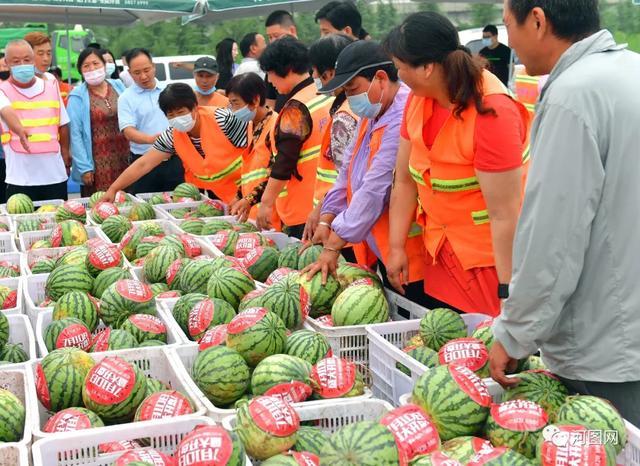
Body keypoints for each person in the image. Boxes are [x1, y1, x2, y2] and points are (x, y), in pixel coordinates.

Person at [488, 0, 640, 425]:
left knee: (606, 443)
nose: (509, 41)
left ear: (537, 20)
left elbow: (552, 238)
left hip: (605, 345)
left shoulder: (572, 96)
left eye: (507, 26)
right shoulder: (632, 70)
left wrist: (514, 335)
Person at [384, 12, 530, 316]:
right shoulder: (418, 100)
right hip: (440, 253)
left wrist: (509, 290)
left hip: (489, 263)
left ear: (426, 67)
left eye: (400, 69)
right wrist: (396, 246)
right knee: (446, 345)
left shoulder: (492, 112)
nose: (399, 79)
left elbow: (506, 214)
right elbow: (405, 181)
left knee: (488, 352)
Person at [303, 40, 425, 293]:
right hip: (381, 246)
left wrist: (333, 246)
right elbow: (347, 170)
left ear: (380, 78)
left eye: (352, 88)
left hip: (412, 253)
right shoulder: (373, 113)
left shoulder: (402, 115)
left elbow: (374, 187)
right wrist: (326, 217)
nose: (349, 97)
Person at [103, 83, 247, 204]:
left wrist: (244, 195)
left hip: (249, 191)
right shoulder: (172, 135)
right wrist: (113, 189)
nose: (177, 118)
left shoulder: (223, 119)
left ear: (195, 107)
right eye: (171, 115)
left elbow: (254, 153)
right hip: (222, 196)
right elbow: (144, 164)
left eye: (181, 112)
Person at [256, 37, 334, 239]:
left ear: (287, 68)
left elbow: (285, 160)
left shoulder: (295, 109)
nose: (270, 81)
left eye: (270, 73)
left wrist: (266, 203)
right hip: (331, 203)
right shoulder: (325, 94)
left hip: (305, 209)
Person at [303, 34, 358, 241]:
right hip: (346, 217)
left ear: (331, 73)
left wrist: (321, 213)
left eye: (315, 71)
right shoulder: (351, 107)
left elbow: (347, 178)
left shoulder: (344, 117)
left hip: (341, 222)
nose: (313, 75)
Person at [0, 40, 70, 201]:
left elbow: (63, 123)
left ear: (33, 61)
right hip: (20, 179)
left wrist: (66, 153)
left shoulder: (51, 86)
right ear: (7, 63)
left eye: (26, 60)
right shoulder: (2, 91)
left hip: (55, 177)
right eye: (16, 61)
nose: (22, 65)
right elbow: (6, 110)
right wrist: (19, 129)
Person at [118, 48, 182, 193]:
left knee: (180, 205)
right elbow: (128, 131)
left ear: (153, 67)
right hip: (143, 163)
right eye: (137, 73)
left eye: (146, 70)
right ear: (129, 73)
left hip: (174, 160)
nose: (143, 76)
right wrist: (151, 139)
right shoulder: (126, 98)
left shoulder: (169, 91)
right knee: (145, 210)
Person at [67, 48, 128, 197]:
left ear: (104, 65)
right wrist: (84, 168)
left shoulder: (118, 85)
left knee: (127, 202)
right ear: (80, 70)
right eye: (86, 66)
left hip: (125, 158)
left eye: (95, 63)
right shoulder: (77, 96)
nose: (92, 68)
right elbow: (75, 134)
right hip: (97, 163)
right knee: (101, 206)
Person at [227, 73, 280, 227]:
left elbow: (276, 172)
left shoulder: (275, 126)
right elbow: (251, 169)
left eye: (236, 103)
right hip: (254, 213)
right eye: (230, 104)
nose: (233, 109)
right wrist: (239, 195)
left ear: (255, 100)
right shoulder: (251, 125)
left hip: (271, 213)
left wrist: (249, 199)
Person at [264, 10, 298, 111]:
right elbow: (270, 103)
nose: (273, 41)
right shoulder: (271, 65)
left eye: (276, 36)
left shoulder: (310, 58)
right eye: (270, 37)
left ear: (292, 31)